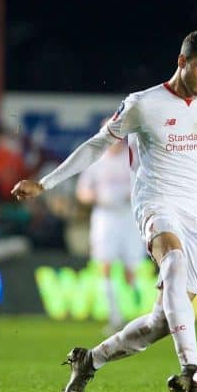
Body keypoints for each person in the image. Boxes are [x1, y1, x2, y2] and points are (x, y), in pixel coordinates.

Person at [11, 29, 197, 392]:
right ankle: (191, 370)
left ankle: (90, 360)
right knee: (172, 260)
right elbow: (96, 145)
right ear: (182, 61)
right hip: (157, 204)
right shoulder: (143, 104)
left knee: (160, 322)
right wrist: (45, 183)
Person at [75, 131, 145, 335]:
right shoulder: (96, 160)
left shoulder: (133, 157)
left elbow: (145, 183)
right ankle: (115, 317)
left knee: (131, 271)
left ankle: (140, 316)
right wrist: (95, 196)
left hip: (129, 216)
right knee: (104, 265)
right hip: (105, 217)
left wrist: (130, 194)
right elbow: (82, 192)